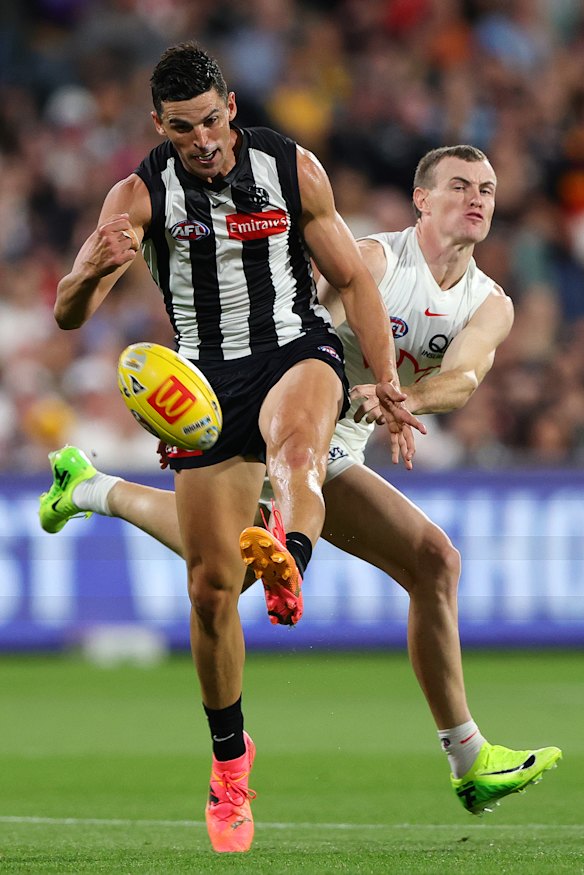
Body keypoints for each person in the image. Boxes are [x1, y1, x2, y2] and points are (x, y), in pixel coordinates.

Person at [41, 145, 561, 832]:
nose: (478, 197)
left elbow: (462, 379)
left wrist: (400, 398)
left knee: (396, 563)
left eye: (488, 188)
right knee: (248, 553)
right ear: (420, 199)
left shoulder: (491, 304)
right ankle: (274, 548)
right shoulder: (375, 261)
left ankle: (90, 487)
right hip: (278, 416)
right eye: (459, 185)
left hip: (337, 447)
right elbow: (290, 317)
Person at [48, 41, 424, 853]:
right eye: (185, 130)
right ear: (160, 125)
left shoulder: (293, 169)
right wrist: (90, 276)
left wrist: (385, 376)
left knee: (298, 452)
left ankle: (288, 555)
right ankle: (229, 764)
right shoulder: (138, 195)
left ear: (230, 107)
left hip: (297, 350)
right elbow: (67, 313)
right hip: (205, 392)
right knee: (212, 586)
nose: (205, 141)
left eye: (214, 122)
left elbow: (353, 282)